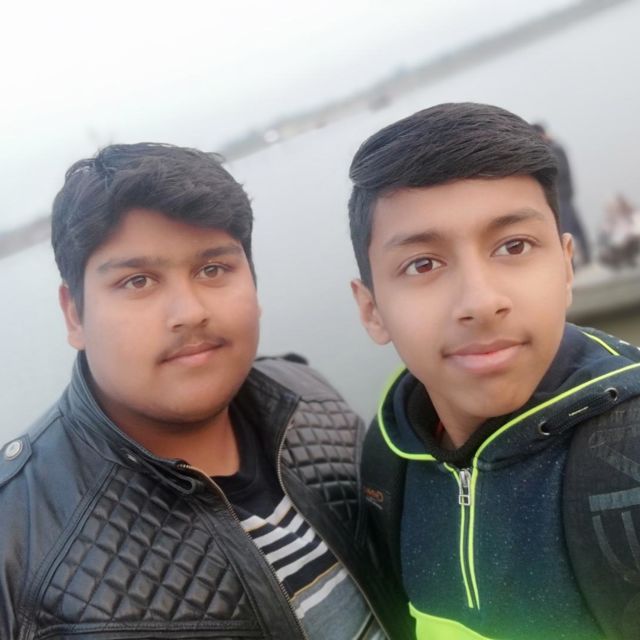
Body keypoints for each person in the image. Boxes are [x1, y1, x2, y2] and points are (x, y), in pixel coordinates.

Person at [0, 143, 391, 639]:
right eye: (137, 281)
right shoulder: (17, 535)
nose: (189, 312)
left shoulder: (308, 398)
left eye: (213, 269)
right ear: (74, 314)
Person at [347, 103, 640, 640]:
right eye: (422, 264)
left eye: (513, 246)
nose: (481, 303)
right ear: (372, 310)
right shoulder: (389, 457)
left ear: (566, 265)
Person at [532, 122, 591, 267]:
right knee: (575, 228)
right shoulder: (554, 147)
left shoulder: (554, 149)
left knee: (566, 230)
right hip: (564, 195)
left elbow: (559, 171)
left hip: (562, 196)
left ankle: (571, 264)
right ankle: (584, 257)